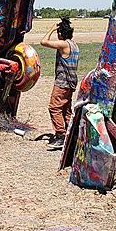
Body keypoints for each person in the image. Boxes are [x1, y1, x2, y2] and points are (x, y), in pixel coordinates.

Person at [40, 17, 80, 151]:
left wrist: (51, 29)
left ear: (61, 34)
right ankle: (71, 134)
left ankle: (60, 135)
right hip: (71, 82)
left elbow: (43, 42)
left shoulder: (64, 45)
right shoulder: (75, 45)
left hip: (62, 82)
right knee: (66, 109)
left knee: (54, 107)